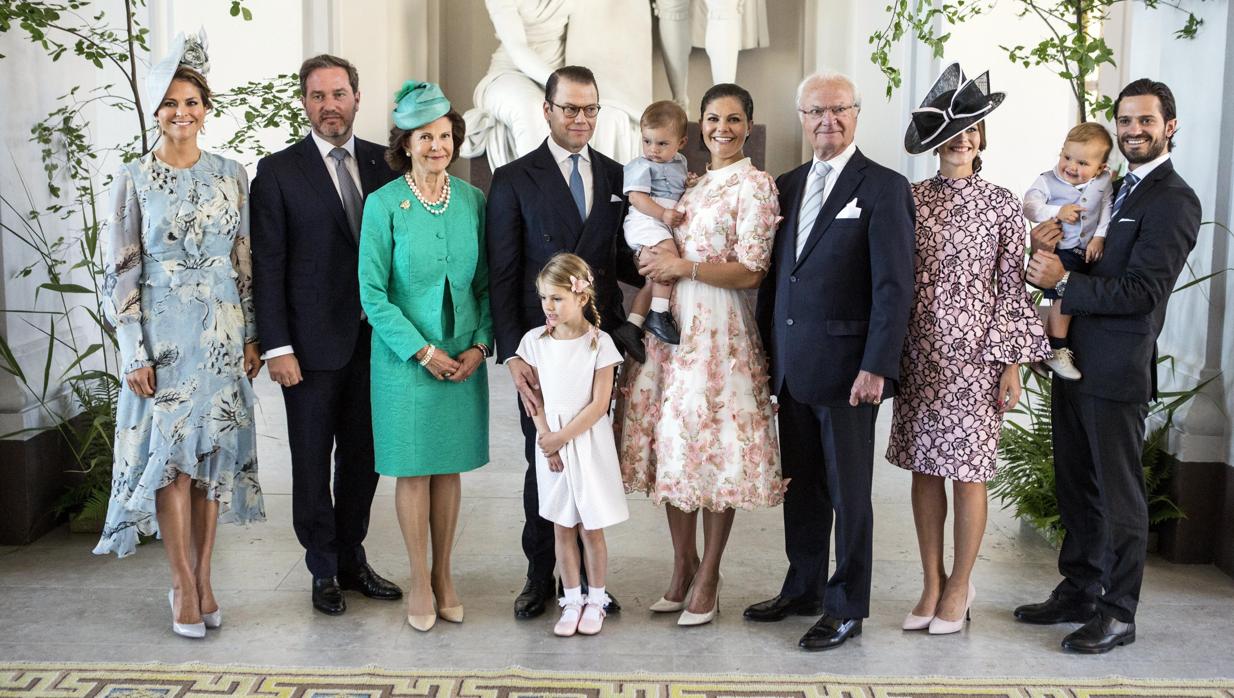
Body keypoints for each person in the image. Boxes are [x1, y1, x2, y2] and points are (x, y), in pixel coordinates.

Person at [92, 31, 265, 640]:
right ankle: (182, 584)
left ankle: (207, 576)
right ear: (156, 112)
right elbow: (121, 271)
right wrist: (134, 352)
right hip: (161, 343)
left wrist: (251, 337)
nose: (180, 112)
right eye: (169, 103)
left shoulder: (231, 174)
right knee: (171, 466)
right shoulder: (134, 178)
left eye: (191, 101)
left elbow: (245, 258)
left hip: (221, 334)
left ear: (205, 109)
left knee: (212, 460)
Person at [1020, 78, 1201, 654]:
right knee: (1076, 483)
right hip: (1073, 361)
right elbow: (1085, 257)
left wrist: (1065, 283)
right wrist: (1047, 248)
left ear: (1169, 125)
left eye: (1145, 120)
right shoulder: (1112, 187)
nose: (1133, 131)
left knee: (1119, 495)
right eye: (1125, 121)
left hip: (1117, 368)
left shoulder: (1172, 199)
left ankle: (1118, 612)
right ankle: (1079, 589)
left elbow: (1143, 292)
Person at [746, 72, 915, 651]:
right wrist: (768, 359)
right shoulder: (786, 185)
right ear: (801, 117)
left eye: (839, 109)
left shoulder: (885, 187)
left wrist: (878, 366)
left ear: (856, 114)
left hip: (850, 374)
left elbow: (894, 287)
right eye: (817, 111)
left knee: (850, 495)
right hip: (793, 368)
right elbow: (776, 280)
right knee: (803, 488)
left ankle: (846, 606)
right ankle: (803, 587)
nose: (828, 120)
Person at [890, 64, 1051, 637]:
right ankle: (931, 582)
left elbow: (1013, 290)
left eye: (973, 128)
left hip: (977, 359)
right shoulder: (906, 199)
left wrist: (1012, 365)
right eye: (953, 130)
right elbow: (890, 282)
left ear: (982, 138)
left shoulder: (1004, 204)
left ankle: (961, 584)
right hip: (919, 354)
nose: (963, 137)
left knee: (968, 474)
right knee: (924, 471)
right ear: (934, 141)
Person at [618, 82, 785, 628]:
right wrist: (653, 269)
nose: (723, 129)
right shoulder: (689, 184)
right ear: (700, 126)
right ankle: (682, 562)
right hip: (675, 326)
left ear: (748, 125)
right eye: (714, 118)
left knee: (715, 447)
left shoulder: (754, 186)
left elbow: (753, 269)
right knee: (674, 445)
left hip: (719, 326)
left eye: (734, 119)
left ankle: (710, 574)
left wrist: (680, 269)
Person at [487, 65, 642, 620]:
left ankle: (591, 585)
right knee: (547, 459)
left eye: (591, 109)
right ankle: (541, 576)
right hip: (543, 352)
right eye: (570, 108)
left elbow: (625, 260)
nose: (581, 119)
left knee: (592, 459)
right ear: (547, 110)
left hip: (598, 344)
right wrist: (511, 354)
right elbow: (503, 275)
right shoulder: (512, 179)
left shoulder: (620, 175)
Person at [250, 55, 402, 616]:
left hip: (378, 344)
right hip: (309, 350)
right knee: (312, 459)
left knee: (365, 458)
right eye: (317, 96)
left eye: (338, 94)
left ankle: (352, 556)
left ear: (357, 98)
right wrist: (277, 346)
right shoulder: (278, 171)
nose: (329, 106)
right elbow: (269, 264)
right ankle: (321, 568)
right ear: (305, 103)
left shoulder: (385, 166)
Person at [356, 81, 491, 632]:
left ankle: (445, 576)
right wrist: (423, 350)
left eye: (444, 135)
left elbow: (485, 284)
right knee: (412, 472)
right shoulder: (383, 204)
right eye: (424, 137)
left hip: (464, 360)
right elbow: (372, 294)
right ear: (405, 144)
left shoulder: (473, 201)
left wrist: (481, 345)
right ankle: (417, 579)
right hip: (404, 361)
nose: (437, 146)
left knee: (447, 468)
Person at [516, 253, 629, 637]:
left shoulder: (600, 344)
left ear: (581, 296)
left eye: (558, 298)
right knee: (562, 525)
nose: (548, 306)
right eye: (544, 298)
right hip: (552, 445)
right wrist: (547, 438)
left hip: (585, 441)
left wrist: (563, 437)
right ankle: (571, 600)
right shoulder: (534, 342)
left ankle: (596, 599)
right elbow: (534, 398)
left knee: (590, 528)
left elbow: (599, 405)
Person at [1023, 122, 1116, 380]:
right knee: (1065, 297)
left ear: (1101, 167)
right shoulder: (1048, 180)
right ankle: (1056, 349)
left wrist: (1099, 237)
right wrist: (1056, 211)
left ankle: (1040, 351)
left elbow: (1107, 208)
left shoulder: (1103, 182)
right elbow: (1029, 206)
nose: (1072, 167)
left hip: (1086, 252)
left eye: (1083, 164)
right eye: (1067, 157)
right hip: (1060, 250)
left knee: (1075, 300)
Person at [619, 100, 691, 348]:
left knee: (654, 279)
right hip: (645, 219)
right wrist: (662, 214)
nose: (653, 150)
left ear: (681, 143)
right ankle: (659, 315)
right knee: (667, 259)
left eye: (662, 143)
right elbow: (637, 198)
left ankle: (632, 326)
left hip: (660, 221)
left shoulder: (680, 162)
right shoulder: (640, 165)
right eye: (647, 141)